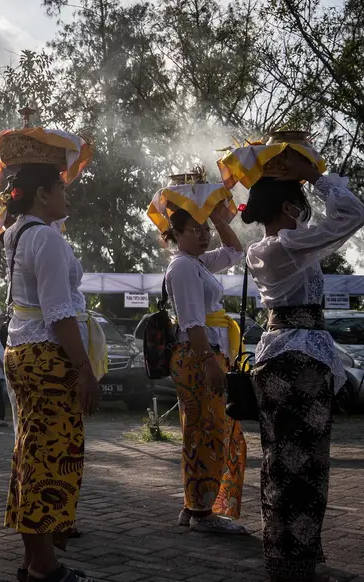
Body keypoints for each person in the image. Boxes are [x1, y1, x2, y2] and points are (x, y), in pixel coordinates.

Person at [239, 151, 364, 582]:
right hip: (301, 363)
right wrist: (315, 175)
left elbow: (343, 222)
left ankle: (286, 554)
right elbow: (355, 212)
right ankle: (296, 558)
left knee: (281, 462)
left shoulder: (263, 248)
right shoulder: (291, 244)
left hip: (278, 358)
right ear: (289, 207)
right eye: (298, 202)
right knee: (305, 465)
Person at [0, 163, 101, 582]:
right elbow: (59, 314)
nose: (66, 194)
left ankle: (33, 558)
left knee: (31, 453)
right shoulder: (45, 237)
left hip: (22, 350)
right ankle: (45, 565)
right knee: (52, 457)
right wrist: (84, 369)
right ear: (41, 194)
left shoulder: (17, 231)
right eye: (60, 188)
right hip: (46, 355)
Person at [154, 186, 248, 535]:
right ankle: (202, 511)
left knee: (204, 430)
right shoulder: (182, 266)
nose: (203, 234)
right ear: (175, 235)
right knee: (207, 432)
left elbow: (235, 251)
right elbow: (192, 321)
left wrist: (218, 218)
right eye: (195, 229)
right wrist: (209, 361)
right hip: (198, 356)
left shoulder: (197, 262)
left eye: (204, 229)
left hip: (203, 354)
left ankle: (194, 506)